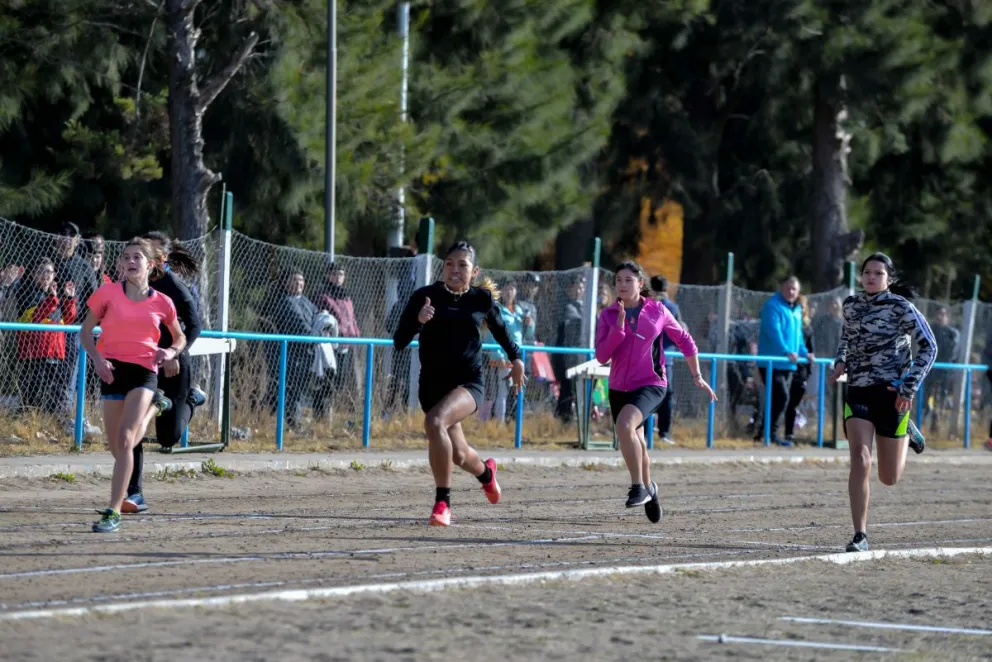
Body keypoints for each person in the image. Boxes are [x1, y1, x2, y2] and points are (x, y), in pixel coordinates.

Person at [393, 241, 524, 527]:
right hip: (431, 385)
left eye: (462, 265)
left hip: (468, 383)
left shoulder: (481, 300)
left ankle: (443, 504)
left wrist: (518, 360)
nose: (455, 269)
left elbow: (503, 333)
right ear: (443, 267)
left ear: (474, 271)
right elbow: (399, 341)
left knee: (436, 422)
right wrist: (418, 320)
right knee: (460, 454)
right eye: (450, 263)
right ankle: (487, 474)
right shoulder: (425, 297)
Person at [828, 253, 936, 552]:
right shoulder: (851, 305)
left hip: (893, 394)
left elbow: (930, 346)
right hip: (859, 391)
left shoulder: (901, 307)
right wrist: (839, 363)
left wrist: (909, 386)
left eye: (878, 273)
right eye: (866, 272)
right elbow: (846, 341)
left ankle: (908, 431)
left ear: (889, 278)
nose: (871, 277)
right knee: (860, 460)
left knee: (889, 478)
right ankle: (860, 535)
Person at [596, 261, 716, 523]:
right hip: (618, 387)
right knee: (637, 441)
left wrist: (697, 376)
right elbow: (601, 355)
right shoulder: (607, 315)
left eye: (629, 280)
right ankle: (651, 489)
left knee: (626, 425)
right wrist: (618, 327)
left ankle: (638, 487)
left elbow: (686, 341)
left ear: (640, 283)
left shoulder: (658, 311)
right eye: (618, 280)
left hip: (652, 383)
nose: (623, 285)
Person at [80, 238, 185, 533]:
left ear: (150, 265)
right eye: (126, 257)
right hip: (112, 370)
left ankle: (113, 509)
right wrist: (97, 360)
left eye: (137, 257)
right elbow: (86, 332)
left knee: (126, 439)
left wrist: (170, 352)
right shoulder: (107, 293)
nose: (130, 261)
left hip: (144, 372)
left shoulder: (162, 302)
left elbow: (180, 337)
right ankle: (155, 409)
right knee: (116, 447)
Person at [121, 232, 206, 514]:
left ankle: (191, 399)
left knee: (168, 438)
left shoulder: (175, 287)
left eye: (145, 253)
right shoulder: (130, 285)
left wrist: (173, 353)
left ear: (158, 260)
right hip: (142, 365)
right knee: (132, 425)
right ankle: (135, 493)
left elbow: (194, 328)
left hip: (173, 364)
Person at [14, 258, 77, 414]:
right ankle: (25, 421)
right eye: (41, 271)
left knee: (53, 393)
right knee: (33, 391)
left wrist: (69, 299)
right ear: (34, 274)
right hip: (35, 352)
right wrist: (53, 298)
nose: (46, 275)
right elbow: (37, 316)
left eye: (49, 271)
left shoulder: (54, 296)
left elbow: (67, 320)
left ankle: (48, 422)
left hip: (55, 349)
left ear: (54, 274)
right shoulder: (27, 292)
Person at [755, 276, 810, 446]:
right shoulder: (773, 306)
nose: (791, 292)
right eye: (788, 288)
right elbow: (774, 332)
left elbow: (799, 336)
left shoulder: (796, 310)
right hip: (772, 362)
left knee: (777, 399)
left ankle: (762, 434)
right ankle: (770, 435)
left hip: (788, 364)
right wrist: (786, 351)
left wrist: (805, 353)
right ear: (781, 287)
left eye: (795, 289)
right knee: (781, 397)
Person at [650, 275, 685, 445]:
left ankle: (643, 429)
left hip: (646, 356)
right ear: (666, 288)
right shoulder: (671, 307)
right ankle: (663, 432)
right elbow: (678, 331)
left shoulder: (645, 305)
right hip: (666, 356)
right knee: (666, 394)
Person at [782, 295, 815, 444]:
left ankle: (789, 433)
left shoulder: (807, 328)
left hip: (800, 371)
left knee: (793, 403)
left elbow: (810, 349)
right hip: (786, 367)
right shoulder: (788, 323)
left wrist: (808, 364)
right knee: (781, 398)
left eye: (802, 307)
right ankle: (766, 432)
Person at [922, 305, 960, 434]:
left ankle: (937, 424)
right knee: (925, 399)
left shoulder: (952, 333)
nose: (940, 317)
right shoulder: (930, 329)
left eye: (943, 314)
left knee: (941, 400)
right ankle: (923, 424)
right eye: (938, 314)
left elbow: (953, 353)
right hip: (929, 371)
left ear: (948, 317)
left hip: (944, 372)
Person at [553, 276, 585, 422]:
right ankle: (564, 419)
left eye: (581, 287)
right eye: (575, 287)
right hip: (566, 357)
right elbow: (574, 325)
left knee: (578, 390)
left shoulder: (586, 306)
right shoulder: (568, 307)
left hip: (582, 356)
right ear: (570, 290)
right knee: (567, 389)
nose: (579, 291)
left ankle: (574, 419)